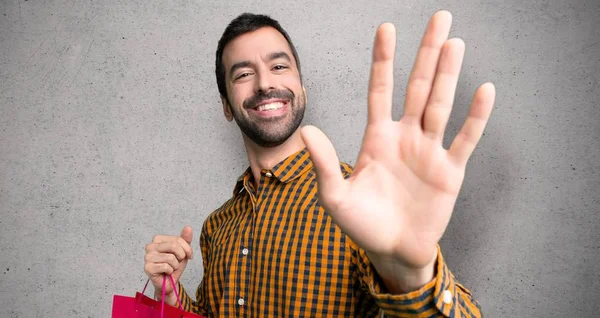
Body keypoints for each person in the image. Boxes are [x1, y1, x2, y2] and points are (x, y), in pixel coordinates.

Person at [144, 10, 495, 317]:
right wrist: (172, 299)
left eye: (279, 66)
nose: (266, 83)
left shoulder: (359, 205)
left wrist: (412, 276)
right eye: (243, 74)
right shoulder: (218, 225)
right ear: (226, 105)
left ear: (302, 88)